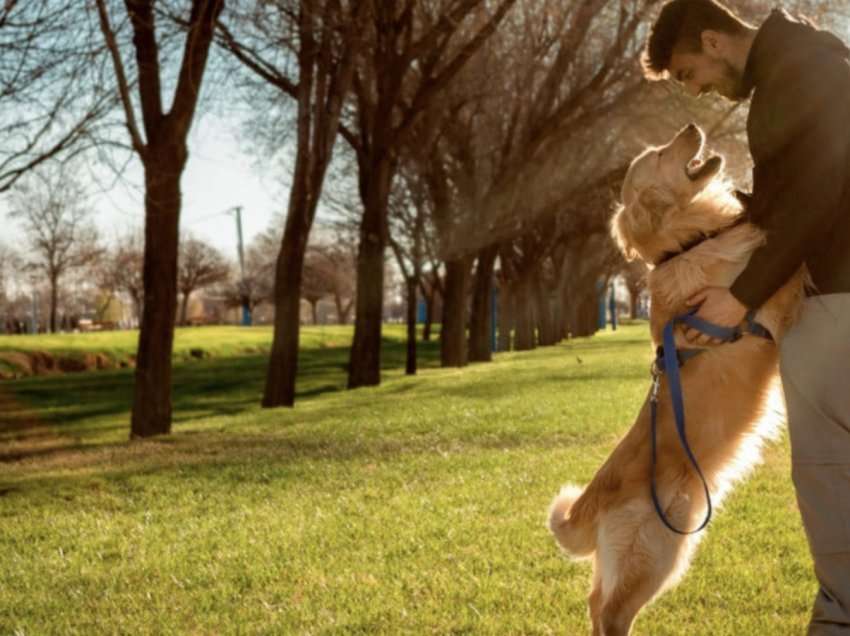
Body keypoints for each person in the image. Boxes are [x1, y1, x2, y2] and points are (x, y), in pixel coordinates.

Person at [643, 1, 850, 633]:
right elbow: (792, 197)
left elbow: (819, 191)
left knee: (828, 467)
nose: (696, 89)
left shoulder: (801, 72)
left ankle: (840, 617)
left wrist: (743, 293)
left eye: (687, 73)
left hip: (838, 293)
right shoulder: (806, 63)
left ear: (713, 40)